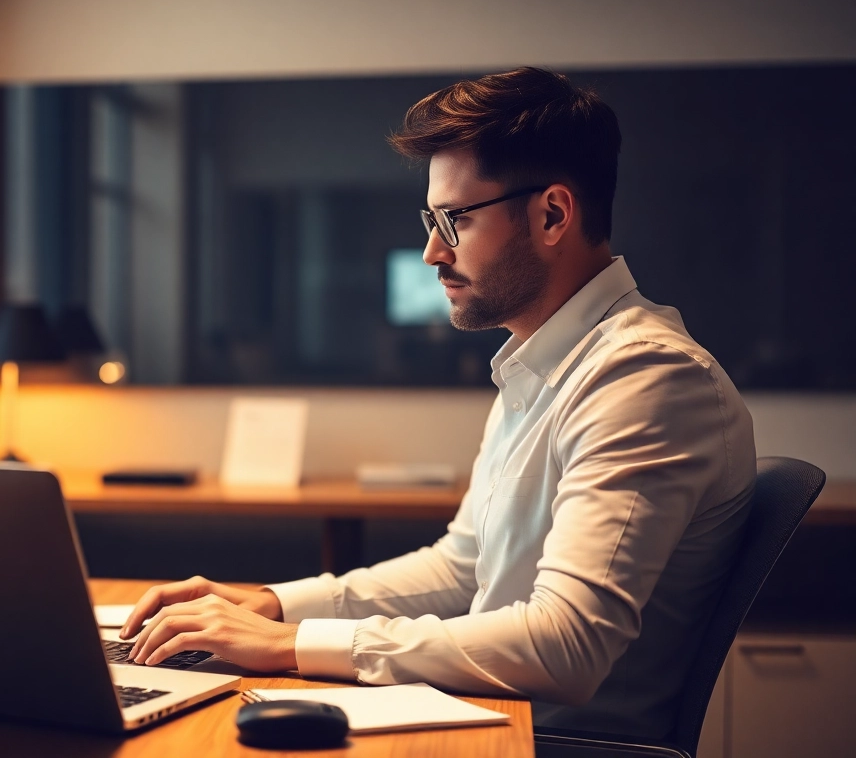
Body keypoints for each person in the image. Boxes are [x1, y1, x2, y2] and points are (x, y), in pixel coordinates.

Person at [118, 67, 756, 739]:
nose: (431, 252)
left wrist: (289, 644)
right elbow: (463, 567)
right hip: (487, 723)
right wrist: (273, 605)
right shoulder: (541, 365)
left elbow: (565, 646)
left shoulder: (644, 377)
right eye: (433, 219)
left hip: (548, 745)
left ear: (552, 214)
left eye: (455, 220)